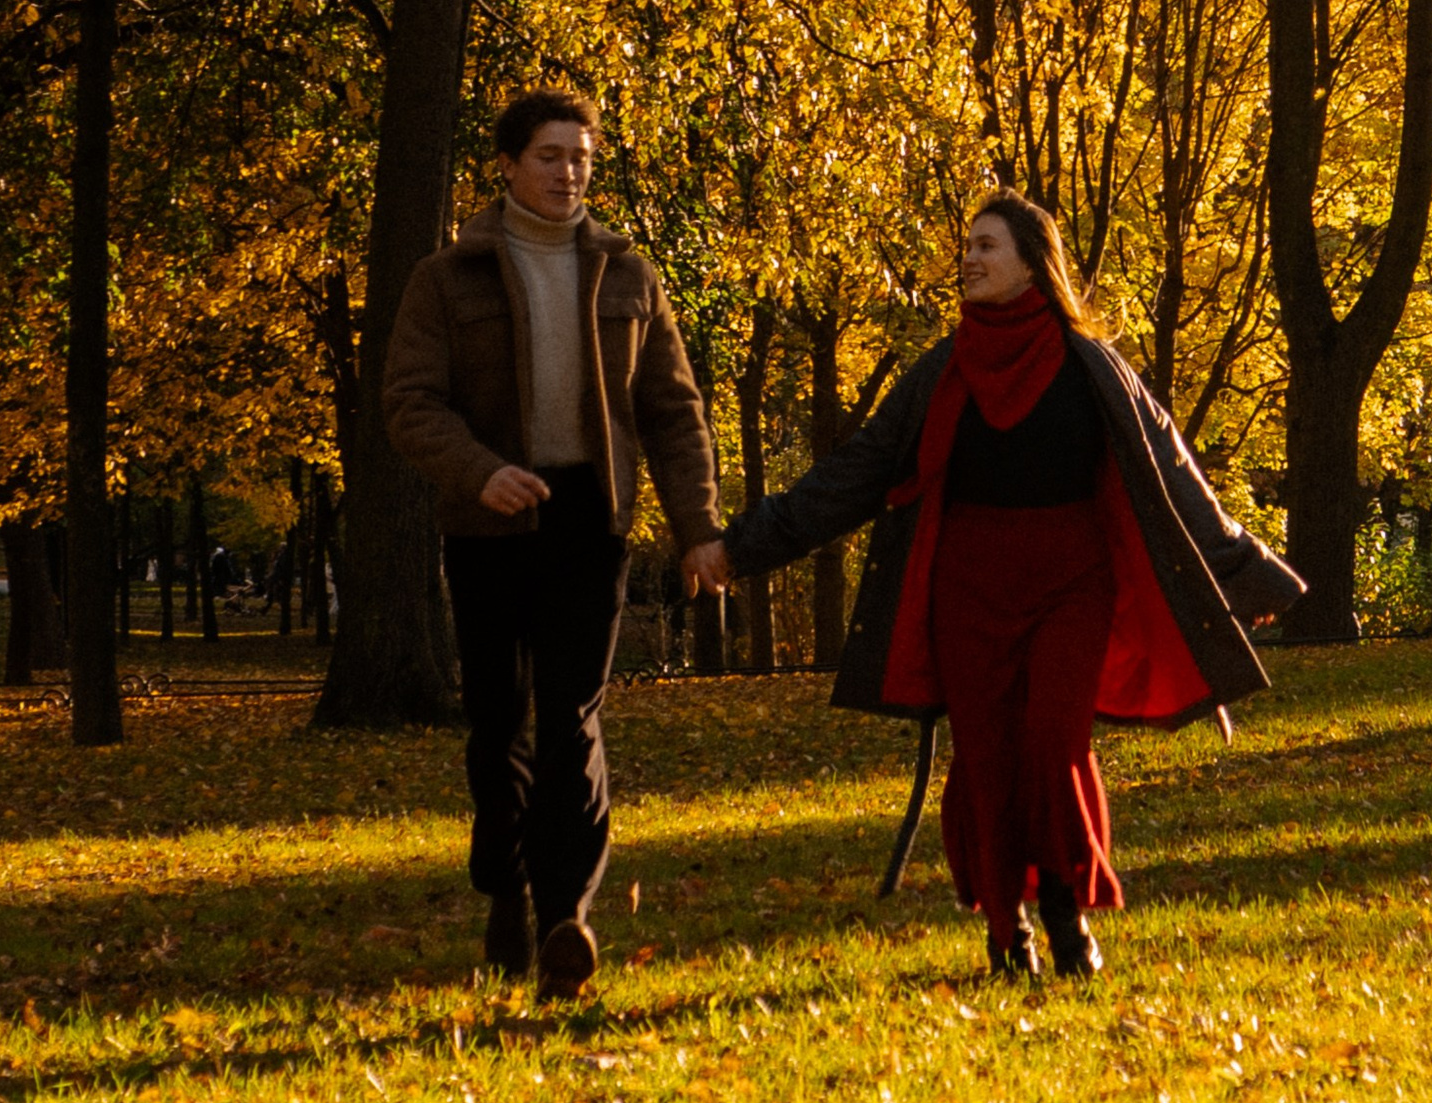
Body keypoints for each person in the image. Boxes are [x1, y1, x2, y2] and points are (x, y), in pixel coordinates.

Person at [691, 194, 1302, 979]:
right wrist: (740, 548)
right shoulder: (939, 373)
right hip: (969, 588)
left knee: (1053, 742)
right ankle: (1004, 929)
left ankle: (1066, 912)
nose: (969, 259)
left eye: (985, 246)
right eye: (967, 247)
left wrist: (1245, 572)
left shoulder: (1092, 367)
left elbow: (1173, 477)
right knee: (985, 755)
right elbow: (854, 474)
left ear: (1030, 260)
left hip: (1072, 581)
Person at [383, 89, 723, 996]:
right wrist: (479, 470)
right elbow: (411, 403)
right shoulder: (446, 277)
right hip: (490, 517)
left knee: (572, 714)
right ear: (506, 165)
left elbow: (673, 411)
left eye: (580, 156)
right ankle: (508, 885)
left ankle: (564, 918)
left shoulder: (626, 272)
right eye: (548, 155)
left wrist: (698, 531)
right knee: (499, 722)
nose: (567, 171)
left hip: (588, 515)